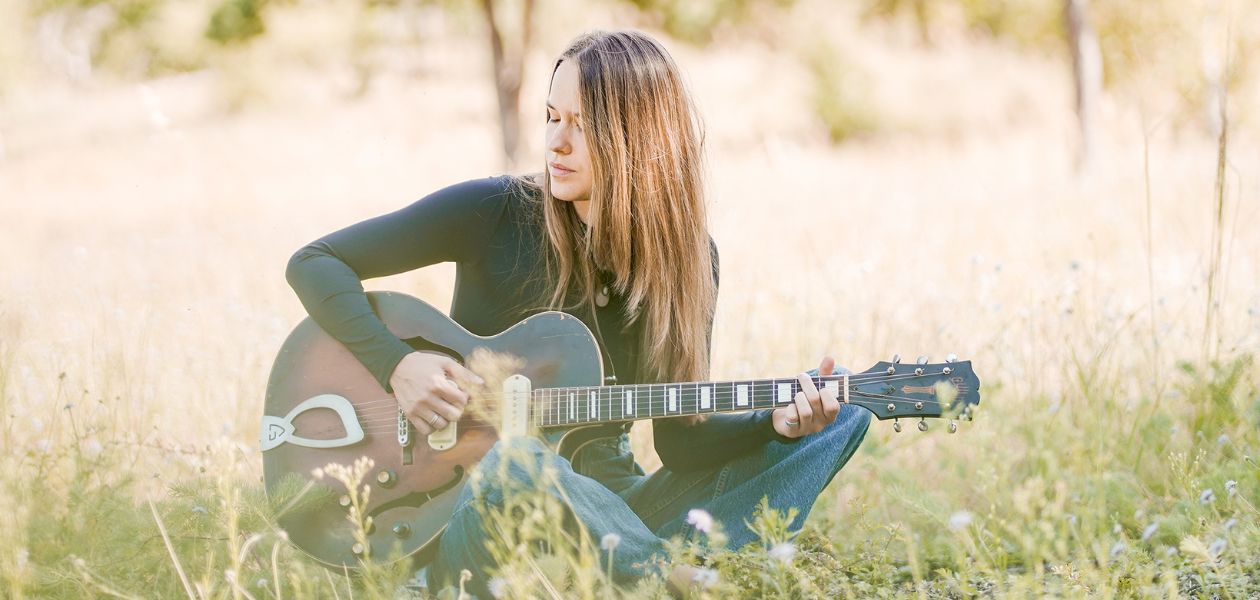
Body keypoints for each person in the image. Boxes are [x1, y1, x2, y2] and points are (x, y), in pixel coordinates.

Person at [285, 29, 871, 598]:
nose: (556, 142)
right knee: (516, 460)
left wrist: (774, 424)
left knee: (847, 409)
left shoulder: (689, 260)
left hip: (610, 508)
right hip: (478, 512)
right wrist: (398, 364)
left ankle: (630, 566)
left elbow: (681, 446)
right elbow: (316, 261)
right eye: (551, 116)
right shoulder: (493, 212)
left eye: (584, 125)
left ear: (639, 138)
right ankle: (660, 574)